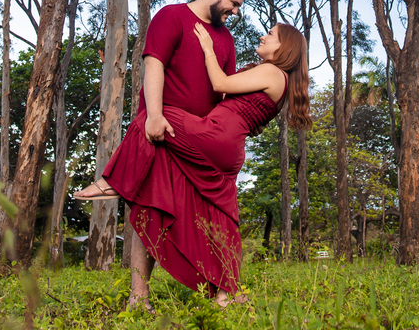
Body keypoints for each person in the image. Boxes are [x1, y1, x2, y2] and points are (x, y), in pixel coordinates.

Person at [75, 21, 311, 308]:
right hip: (228, 148)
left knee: (151, 117)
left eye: (271, 34)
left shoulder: (273, 71)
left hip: (214, 134)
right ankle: (226, 293)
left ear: (284, 46)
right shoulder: (281, 82)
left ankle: (114, 181)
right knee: (219, 216)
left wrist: (209, 50)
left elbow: (220, 84)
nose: (264, 36)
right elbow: (230, 98)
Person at [74, 0, 249, 307]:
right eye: (233, 3)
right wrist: (154, 115)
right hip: (160, 133)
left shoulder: (225, 40)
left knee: (206, 217)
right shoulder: (171, 16)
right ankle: (138, 297)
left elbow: (224, 90)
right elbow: (154, 64)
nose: (235, 11)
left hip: (196, 143)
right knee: (149, 209)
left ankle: (219, 288)